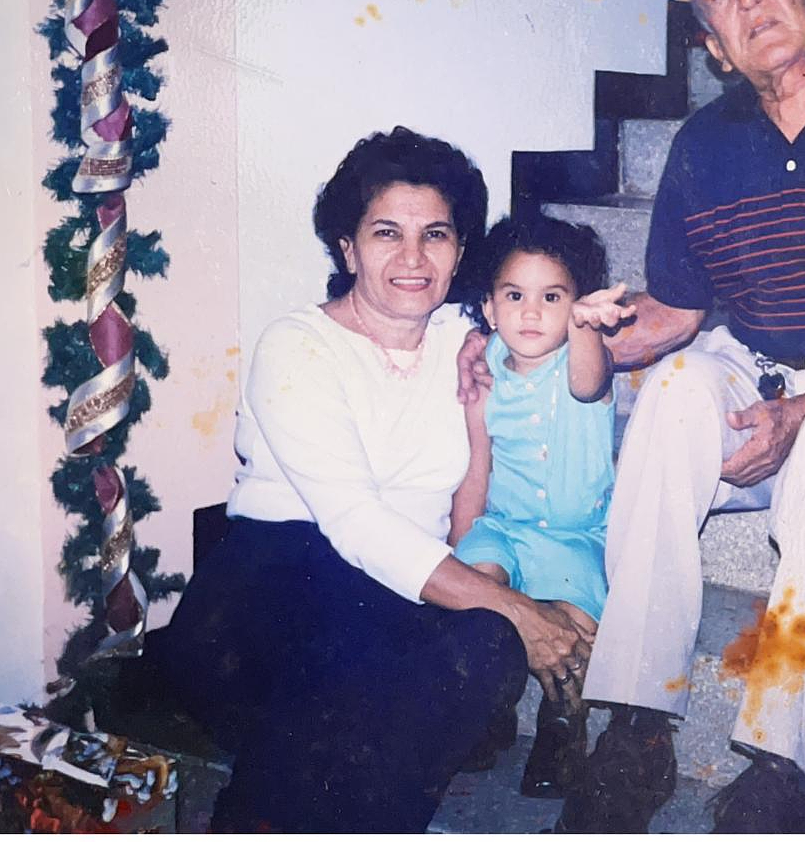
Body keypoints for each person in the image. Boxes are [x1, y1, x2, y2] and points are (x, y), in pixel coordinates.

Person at [470, 0, 805, 832]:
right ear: (711, 46)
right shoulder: (705, 142)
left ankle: (790, 763)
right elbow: (677, 312)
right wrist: (545, 339)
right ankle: (635, 722)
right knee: (668, 395)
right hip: (756, 359)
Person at [160, 127, 596, 833]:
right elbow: (355, 525)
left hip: (391, 603)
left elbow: (493, 484)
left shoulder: (470, 340)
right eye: (387, 231)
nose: (413, 257)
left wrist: (526, 598)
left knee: (481, 643)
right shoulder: (298, 345)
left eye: (437, 234)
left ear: (461, 252)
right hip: (266, 594)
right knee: (354, 619)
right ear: (347, 247)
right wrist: (517, 607)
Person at [449, 215, 635, 798]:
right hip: (503, 526)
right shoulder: (483, 375)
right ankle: (489, 701)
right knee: (477, 585)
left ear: (576, 305)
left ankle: (562, 723)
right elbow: (478, 467)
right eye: (515, 296)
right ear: (489, 307)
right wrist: (458, 550)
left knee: (574, 622)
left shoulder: (583, 366)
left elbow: (587, 381)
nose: (531, 313)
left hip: (575, 535)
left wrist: (585, 329)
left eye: (552, 297)